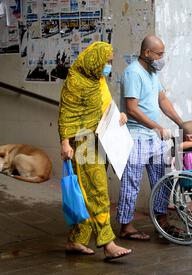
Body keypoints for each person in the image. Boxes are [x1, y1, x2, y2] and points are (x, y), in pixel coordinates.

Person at [58, 41, 132, 261]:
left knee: (85, 192)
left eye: (109, 62)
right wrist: (64, 142)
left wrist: (119, 116)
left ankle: (76, 240)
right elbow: (66, 114)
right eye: (106, 62)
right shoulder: (75, 81)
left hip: (101, 139)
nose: (108, 66)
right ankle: (108, 243)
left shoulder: (97, 80)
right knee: (98, 190)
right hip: (82, 143)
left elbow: (105, 106)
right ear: (95, 60)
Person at [117, 35, 183, 241]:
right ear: (147, 53)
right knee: (131, 183)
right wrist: (157, 126)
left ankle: (161, 220)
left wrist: (182, 124)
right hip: (135, 137)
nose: (162, 58)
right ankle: (126, 226)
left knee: (162, 180)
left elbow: (162, 99)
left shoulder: (152, 72)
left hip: (153, 137)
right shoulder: (133, 73)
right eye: (159, 54)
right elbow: (132, 109)